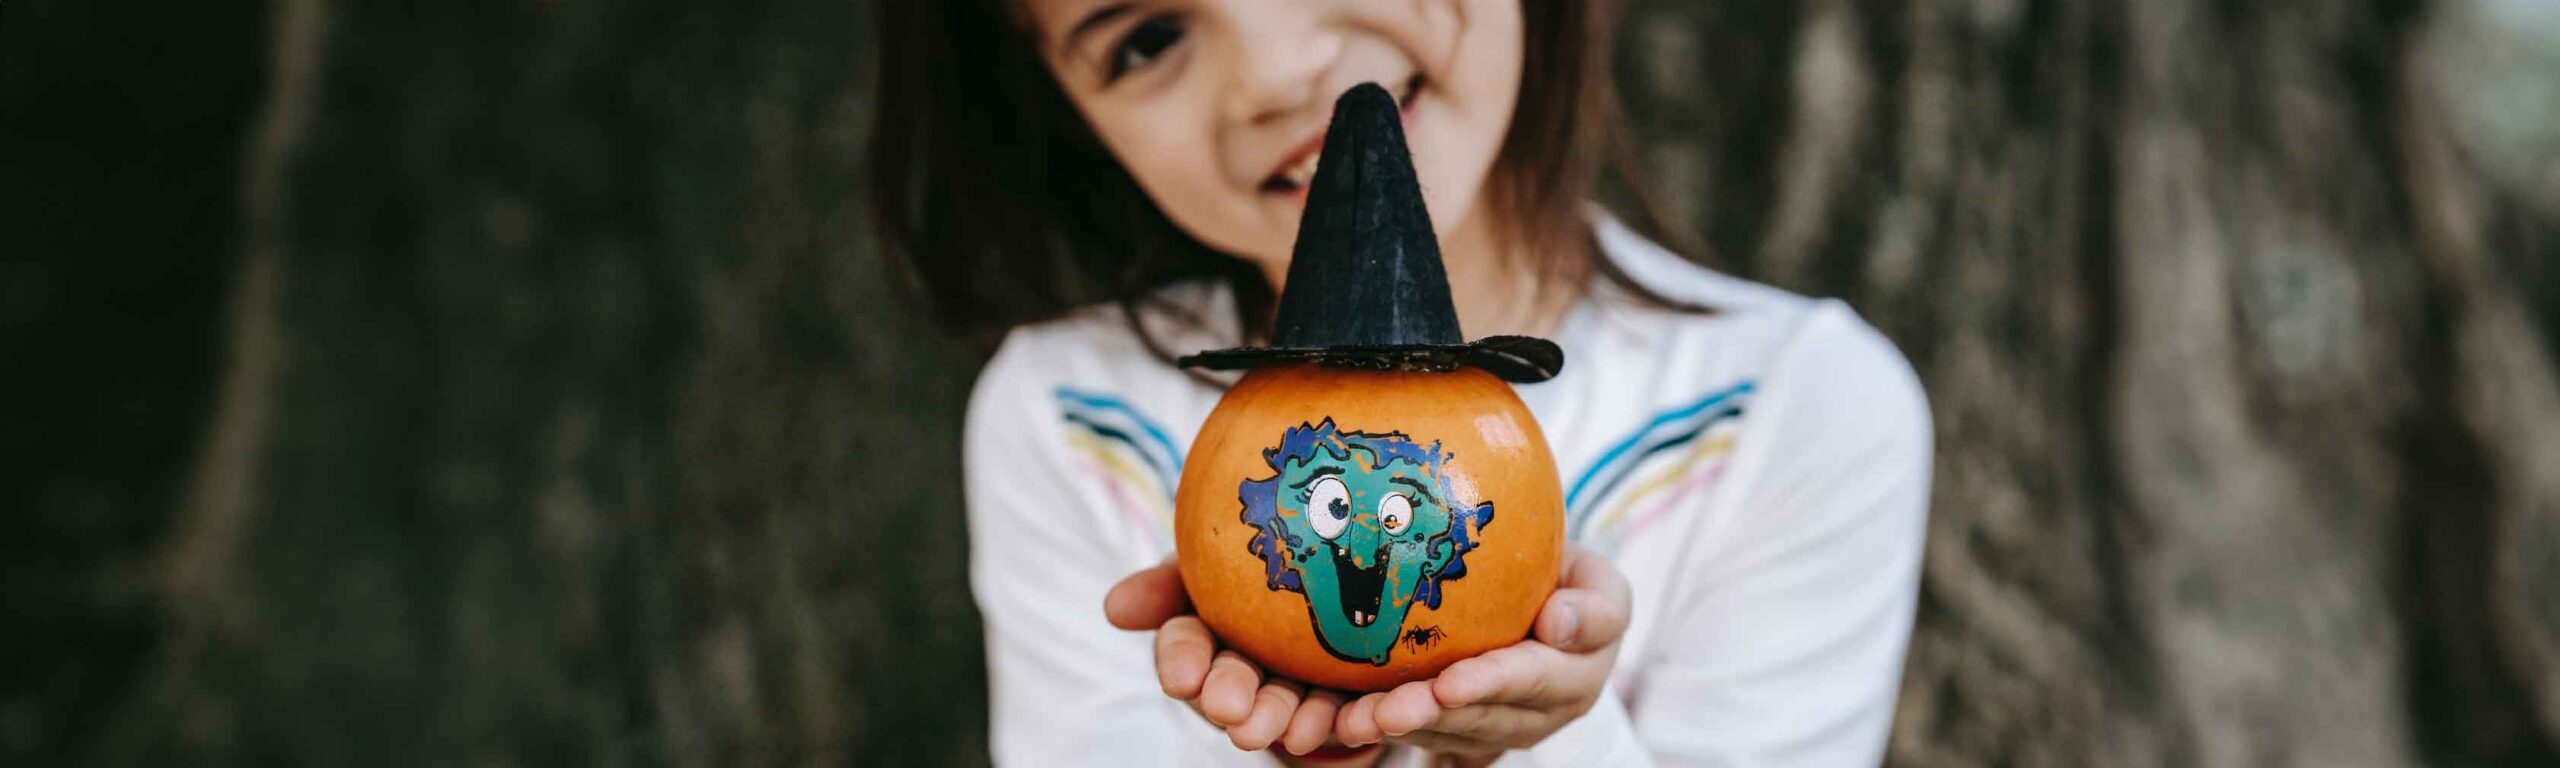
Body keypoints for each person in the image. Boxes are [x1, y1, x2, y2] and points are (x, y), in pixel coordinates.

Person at [869, 1, 1933, 765]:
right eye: (1148, 37)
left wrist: (1538, 747)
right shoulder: (1067, 421)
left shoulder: (1797, 406)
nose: (1278, 72)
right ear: (1061, 107)